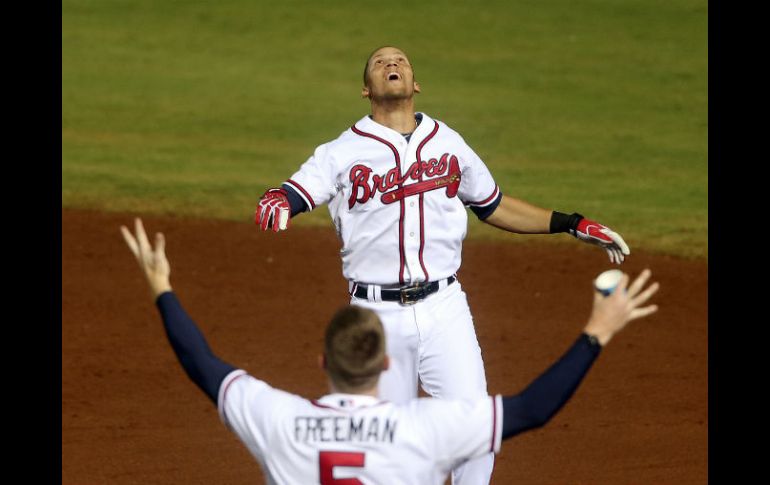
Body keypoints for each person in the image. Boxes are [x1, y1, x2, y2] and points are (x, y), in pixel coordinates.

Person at [254, 45, 631, 483]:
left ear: (415, 84)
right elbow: (295, 191)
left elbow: (493, 204)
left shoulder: (449, 142)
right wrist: (279, 199)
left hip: (444, 307)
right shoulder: (340, 152)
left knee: (476, 431)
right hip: (375, 317)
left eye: (400, 61)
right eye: (379, 63)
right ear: (365, 89)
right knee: (384, 444)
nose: (391, 64)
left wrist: (570, 223)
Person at [121, 218, 657, 485]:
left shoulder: (279, 421)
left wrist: (161, 286)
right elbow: (533, 409)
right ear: (387, 364)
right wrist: (597, 331)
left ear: (323, 363)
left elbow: (203, 366)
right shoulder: (421, 428)